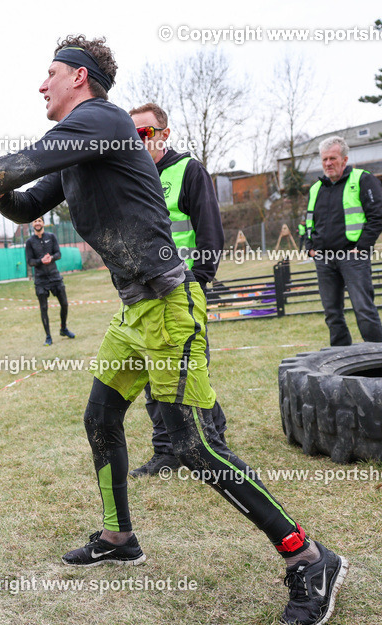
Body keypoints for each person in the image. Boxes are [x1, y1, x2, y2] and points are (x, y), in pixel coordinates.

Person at [0, 34, 348, 625]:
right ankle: (119, 536)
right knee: (100, 418)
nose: (40, 84)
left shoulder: (102, 119)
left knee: (192, 444)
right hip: (136, 313)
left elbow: (21, 161)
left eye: (49, 72)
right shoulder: (83, 149)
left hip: (169, 304)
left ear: (79, 78)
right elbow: (25, 202)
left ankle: (310, 557)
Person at [127, 103, 226, 477]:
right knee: (155, 374)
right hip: (145, 293)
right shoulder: (130, 175)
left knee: (190, 371)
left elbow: (210, 230)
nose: (138, 139)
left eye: (145, 132)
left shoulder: (189, 170)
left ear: (164, 134)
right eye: (131, 134)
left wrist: (198, 280)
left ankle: (214, 441)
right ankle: (166, 451)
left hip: (183, 289)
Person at [304, 136, 382, 346]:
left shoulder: (362, 179)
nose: (328, 163)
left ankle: (380, 358)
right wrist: (309, 247)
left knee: (364, 310)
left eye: (333, 158)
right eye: (324, 159)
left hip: (353, 257)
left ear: (344, 159)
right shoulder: (315, 188)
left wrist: (361, 248)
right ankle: (340, 359)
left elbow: (378, 217)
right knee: (332, 314)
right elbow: (307, 222)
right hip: (324, 260)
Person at [25, 216, 74, 345]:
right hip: (41, 280)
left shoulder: (51, 237)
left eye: (39, 220)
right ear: (32, 224)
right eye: (35, 221)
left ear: (43, 223)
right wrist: (40, 261)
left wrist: (50, 258)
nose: (37, 223)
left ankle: (63, 328)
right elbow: (30, 262)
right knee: (44, 308)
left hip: (55, 277)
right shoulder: (30, 242)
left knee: (64, 304)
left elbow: (58, 254)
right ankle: (48, 336)